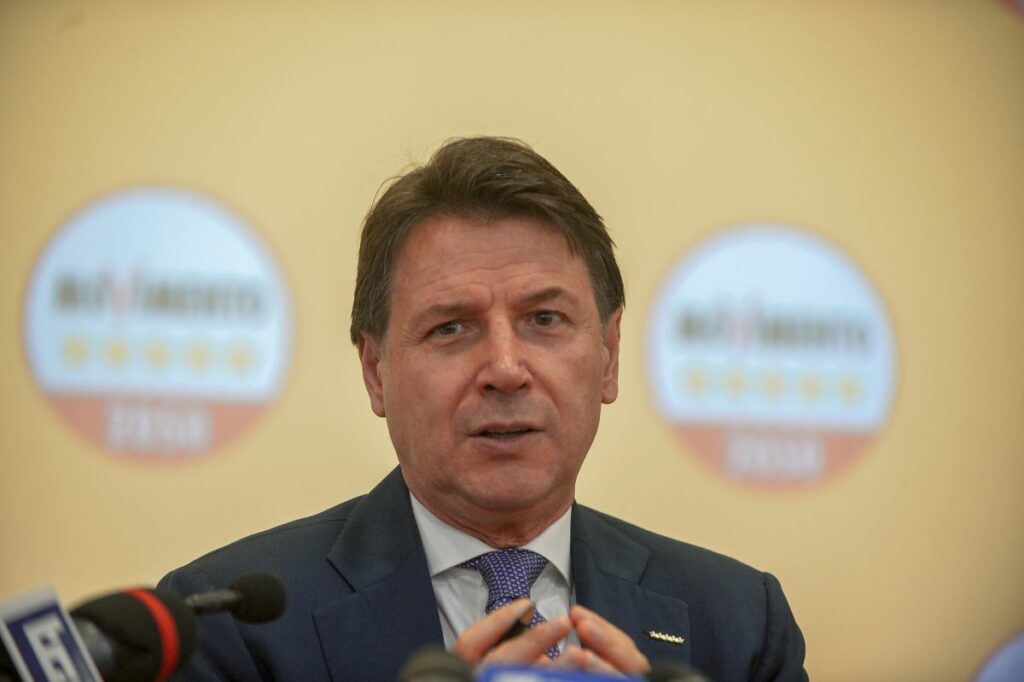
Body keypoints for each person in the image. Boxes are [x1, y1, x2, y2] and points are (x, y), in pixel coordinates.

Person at [159, 137, 808, 681]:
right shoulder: (227, 625)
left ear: (608, 356)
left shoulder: (740, 623)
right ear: (375, 370)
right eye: (451, 327)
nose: (504, 369)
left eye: (545, 319)